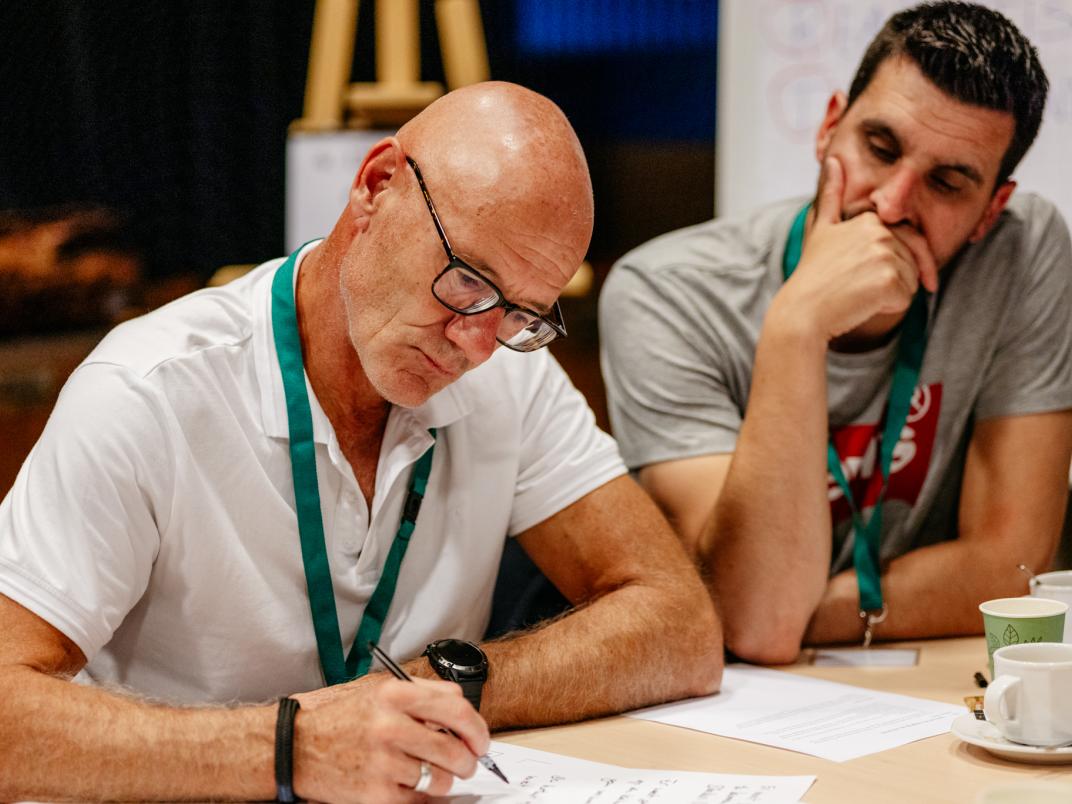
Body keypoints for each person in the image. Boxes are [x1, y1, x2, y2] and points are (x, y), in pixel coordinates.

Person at [0, 82, 722, 802]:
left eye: (518, 315)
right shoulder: (149, 390)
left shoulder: (509, 382)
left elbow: (678, 623)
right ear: (376, 187)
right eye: (466, 281)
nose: (474, 344)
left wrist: (437, 688)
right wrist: (290, 748)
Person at [600, 2, 1072, 665]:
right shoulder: (666, 291)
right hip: (739, 709)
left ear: (992, 208)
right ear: (828, 127)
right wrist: (798, 326)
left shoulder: (1025, 250)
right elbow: (756, 624)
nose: (893, 202)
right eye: (880, 148)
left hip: (910, 686)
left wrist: (797, 612)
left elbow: (1009, 570)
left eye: (947, 182)